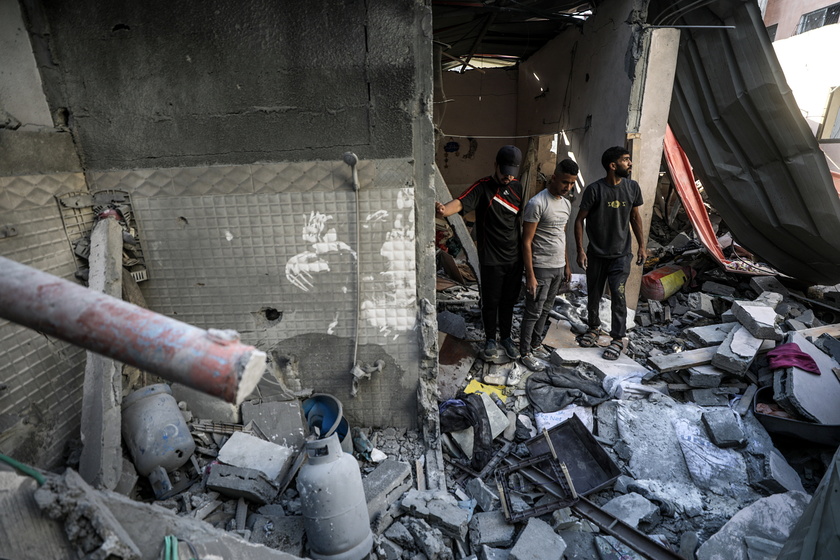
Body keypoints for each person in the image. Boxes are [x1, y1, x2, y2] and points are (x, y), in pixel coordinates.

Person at [436, 145, 524, 361]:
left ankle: (506, 338)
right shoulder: (482, 187)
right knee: (491, 301)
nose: (507, 177)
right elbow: (460, 203)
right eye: (504, 172)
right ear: (495, 165)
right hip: (491, 258)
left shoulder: (517, 188)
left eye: (511, 172)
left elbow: (521, 221)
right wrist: (443, 210)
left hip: (514, 257)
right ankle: (490, 340)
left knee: (508, 301)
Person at [574, 146, 646, 360]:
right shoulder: (595, 190)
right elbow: (579, 220)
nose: (630, 163)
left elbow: (635, 218)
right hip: (596, 254)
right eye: (626, 160)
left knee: (618, 292)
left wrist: (642, 245)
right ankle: (593, 328)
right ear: (613, 166)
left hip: (621, 255)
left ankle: (617, 338)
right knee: (594, 294)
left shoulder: (633, 188)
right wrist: (580, 250)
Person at [518, 159, 578, 372]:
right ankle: (524, 352)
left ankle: (536, 344)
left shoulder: (566, 204)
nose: (568, 187)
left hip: (558, 266)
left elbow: (561, 235)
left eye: (572, 184)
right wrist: (530, 275)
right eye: (565, 182)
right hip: (540, 266)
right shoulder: (537, 203)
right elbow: (526, 241)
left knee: (545, 310)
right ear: (554, 177)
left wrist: (567, 266)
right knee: (533, 311)